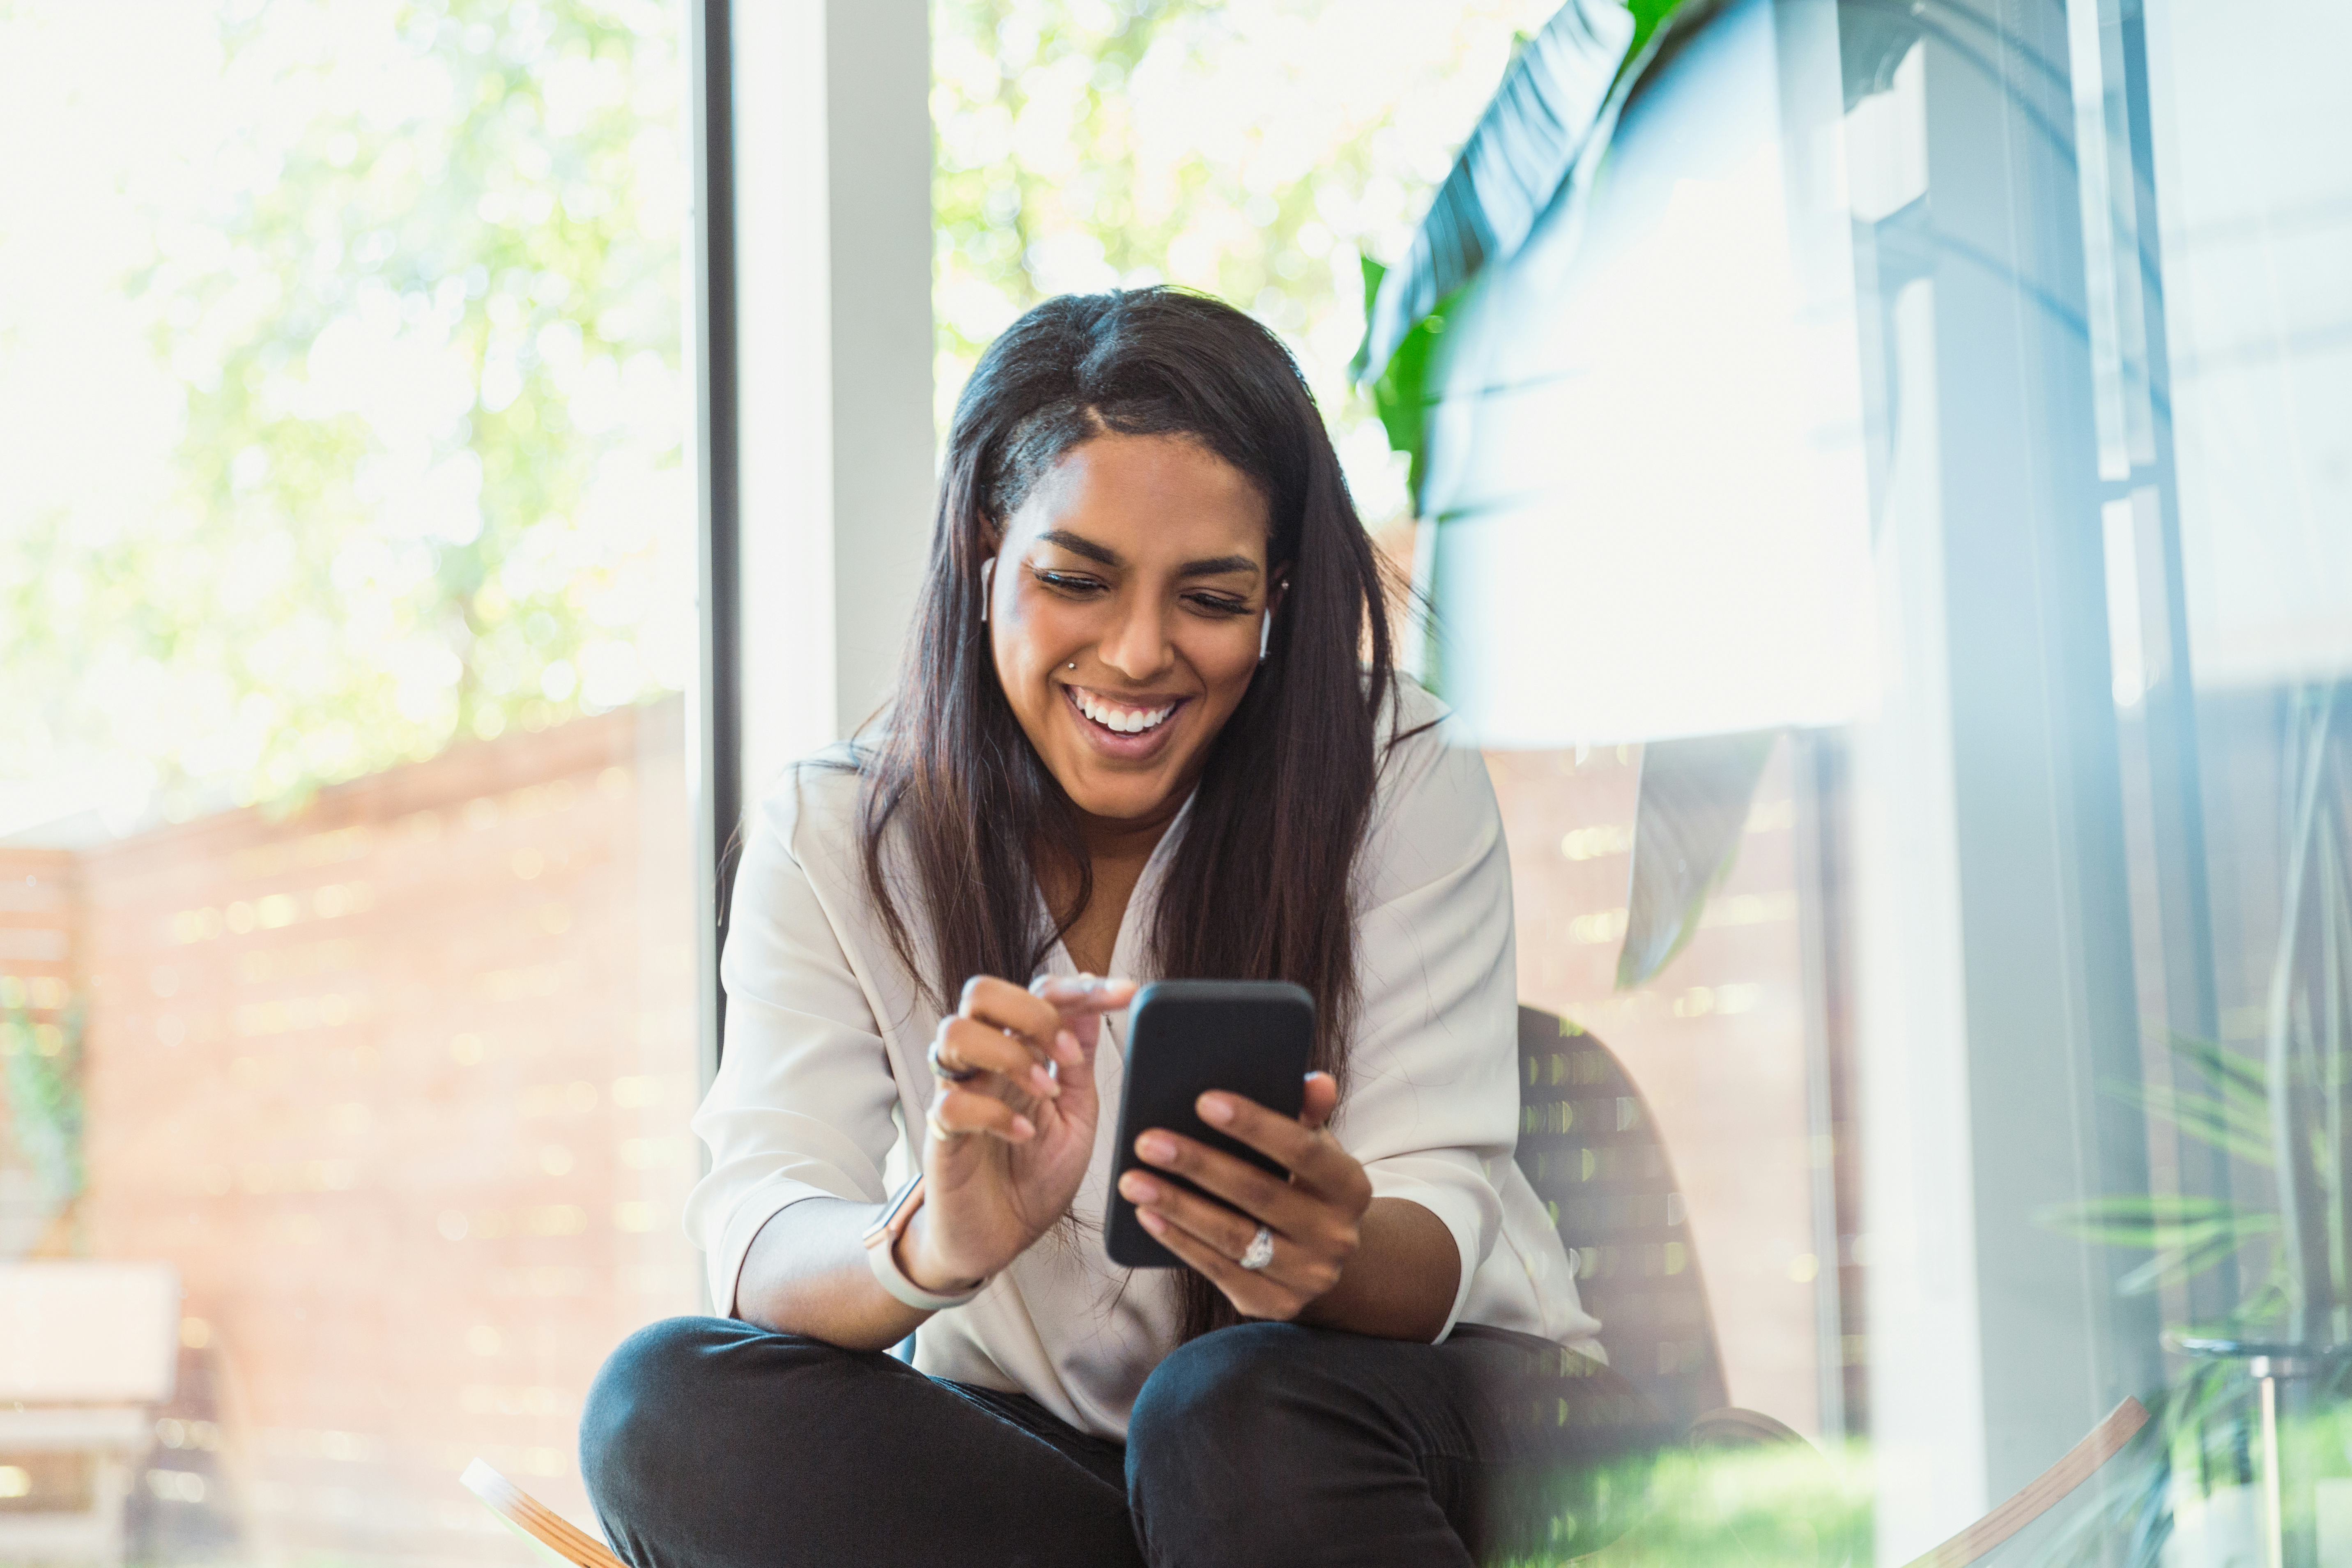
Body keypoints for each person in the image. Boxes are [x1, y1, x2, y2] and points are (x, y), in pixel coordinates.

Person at [580, 288, 1657, 1568]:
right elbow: (761, 1223)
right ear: (988, 550)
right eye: (1075, 579)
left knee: (1226, 1420)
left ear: (1282, 595)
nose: (1139, 654)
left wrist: (1330, 1251)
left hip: (1400, 1423)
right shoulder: (838, 832)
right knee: (664, 1406)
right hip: (1062, 1467)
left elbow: (1436, 1224)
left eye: (1212, 596)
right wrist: (932, 1241)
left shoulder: (1396, 773)